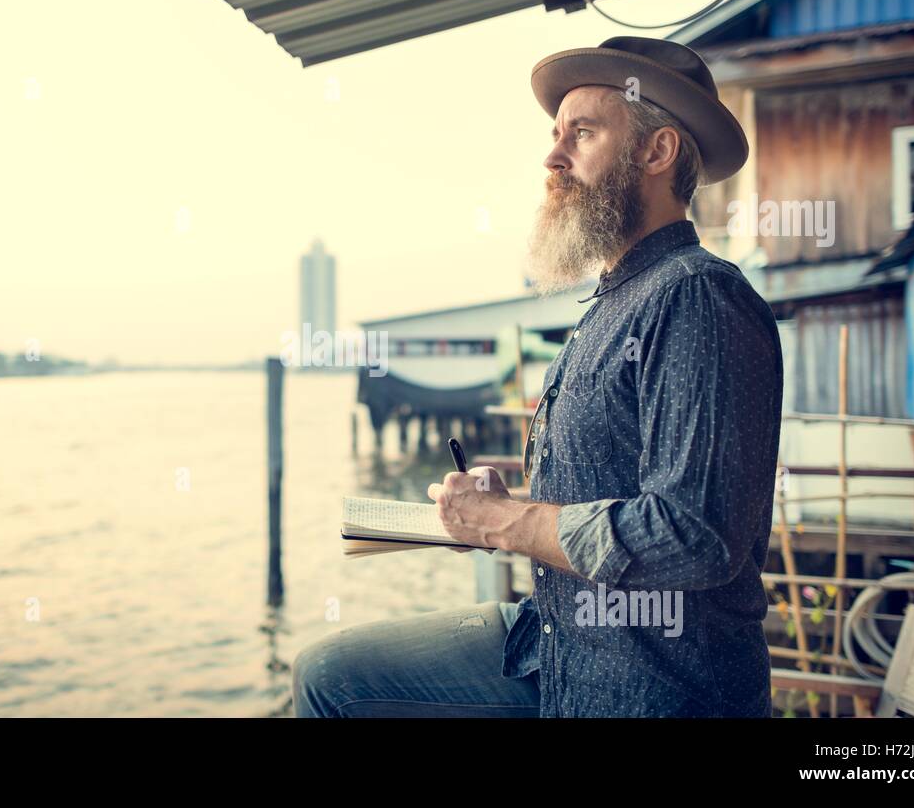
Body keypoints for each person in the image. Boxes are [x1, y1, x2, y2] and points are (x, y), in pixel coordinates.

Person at [292, 36, 783, 718]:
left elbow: (694, 534)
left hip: (646, 687)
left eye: (581, 134)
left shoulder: (696, 294)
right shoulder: (613, 302)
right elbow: (609, 487)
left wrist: (507, 522)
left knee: (331, 681)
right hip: (556, 647)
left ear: (657, 151)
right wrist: (513, 497)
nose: (552, 157)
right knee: (329, 670)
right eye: (556, 135)